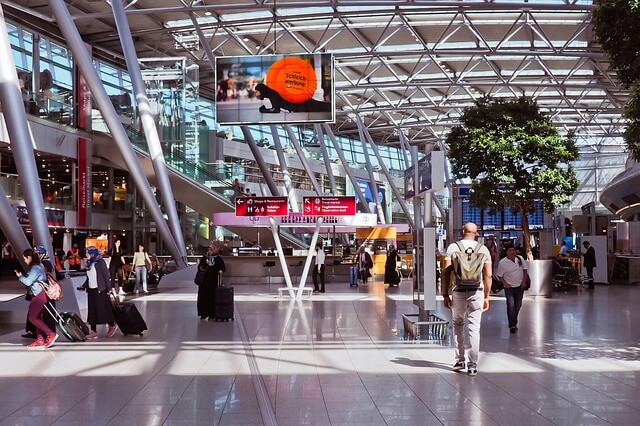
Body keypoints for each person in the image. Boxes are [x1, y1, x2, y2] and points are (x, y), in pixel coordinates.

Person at [442, 223, 492, 376]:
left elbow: (445, 273)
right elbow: (488, 275)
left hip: (458, 291)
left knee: (458, 323)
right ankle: (473, 365)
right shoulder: (483, 250)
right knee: (474, 328)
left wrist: (445, 294)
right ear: (476, 234)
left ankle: (459, 360)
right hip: (477, 291)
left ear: (462, 231)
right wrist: (487, 296)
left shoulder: (453, 248)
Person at [16, 248, 58, 350]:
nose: (25, 261)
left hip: (39, 295)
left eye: (25, 258)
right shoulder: (39, 266)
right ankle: (40, 339)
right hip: (40, 295)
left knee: (32, 317)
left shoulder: (35, 268)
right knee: (38, 317)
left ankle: (50, 334)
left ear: (29, 257)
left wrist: (20, 276)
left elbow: (28, 282)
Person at [83, 247, 117, 339]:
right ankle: (93, 331)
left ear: (92, 253)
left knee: (103, 310)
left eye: (87, 253)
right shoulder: (89, 264)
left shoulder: (100, 262)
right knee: (92, 311)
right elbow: (89, 278)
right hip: (91, 290)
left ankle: (112, 325)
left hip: (100, 290)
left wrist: (109, 289)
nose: (86, 255)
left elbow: (106, 276)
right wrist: (84, 286)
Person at [495, 244, 528, 334]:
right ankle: (512, 325)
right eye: (510, 250)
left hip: (520, 286)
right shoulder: (503, 262)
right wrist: (505, 284)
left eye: (513, 250)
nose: (512, 252)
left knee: (518, 305)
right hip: (509, 287)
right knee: (511, 305)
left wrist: (524, 282)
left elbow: (525, 271)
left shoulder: (520, 259)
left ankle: (514, 320)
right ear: (506, 252)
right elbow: (500, 276)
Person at [197, 244, 226, 319]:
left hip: (213, 281)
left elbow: (223, 267)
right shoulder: (205, 257)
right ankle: (204, 313)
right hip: (204, 282)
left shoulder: (218, 258)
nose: (209, 252)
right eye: (209, 250)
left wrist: (221, 271)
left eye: (211, 250)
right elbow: (199, 266)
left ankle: (212, 313)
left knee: (213, 296)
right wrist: (200, 268)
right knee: (203, 297)